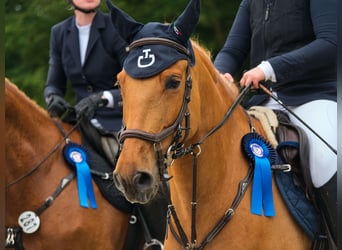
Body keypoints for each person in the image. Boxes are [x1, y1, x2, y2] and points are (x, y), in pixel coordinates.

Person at [214, 0, 337, 246]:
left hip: (313, 94)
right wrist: (219, 74)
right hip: (264, 100)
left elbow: (330, 43)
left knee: (325, 159)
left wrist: (270, 68)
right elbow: (232, 51)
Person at [44, 0, 127, 165]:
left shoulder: (116, 27)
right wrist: (53, 97)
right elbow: (53, 84)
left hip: (117, 123)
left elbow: (135, 84)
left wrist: (102, 98)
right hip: (80, 123)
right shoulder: (59, 32)